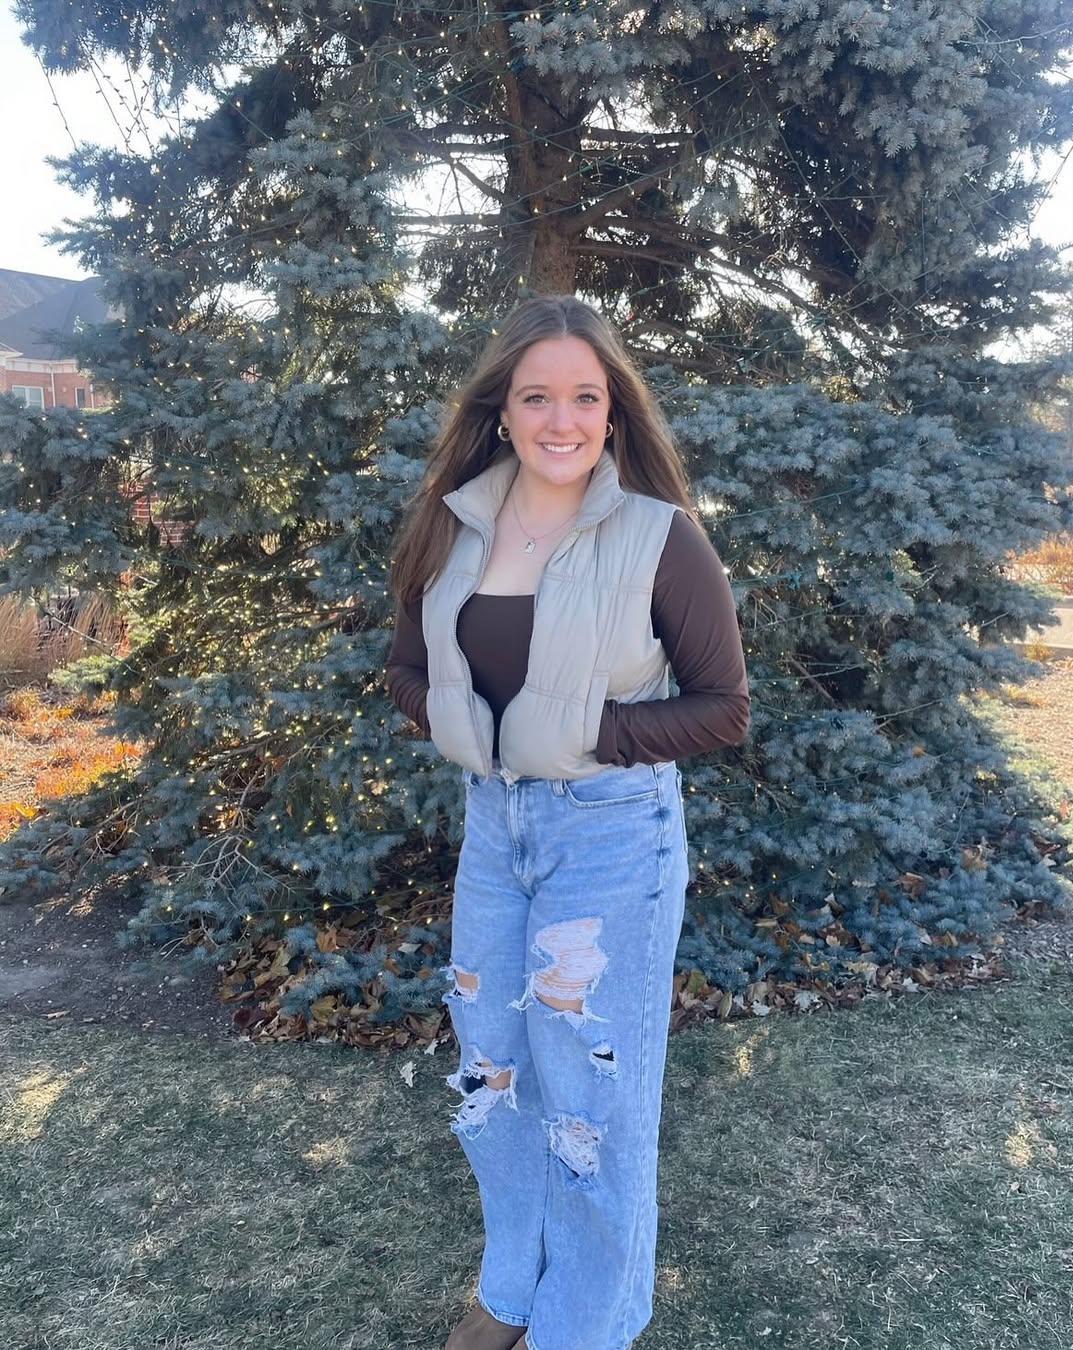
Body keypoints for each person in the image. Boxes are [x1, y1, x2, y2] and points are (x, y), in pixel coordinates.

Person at [384, 295, 751, 1350]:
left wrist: (582, 732)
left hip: (611, 837)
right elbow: (407, 669)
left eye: (585, 397)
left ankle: (584, 1322)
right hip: (494, 832)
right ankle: (513, 1283)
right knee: (492, 1073)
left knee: (594, 1096)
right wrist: (461, 723)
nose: (562, 420)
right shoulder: (452, 522)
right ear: (501, 410)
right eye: (537, 396)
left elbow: (723, 708)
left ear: (612, 411)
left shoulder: (658, 537)